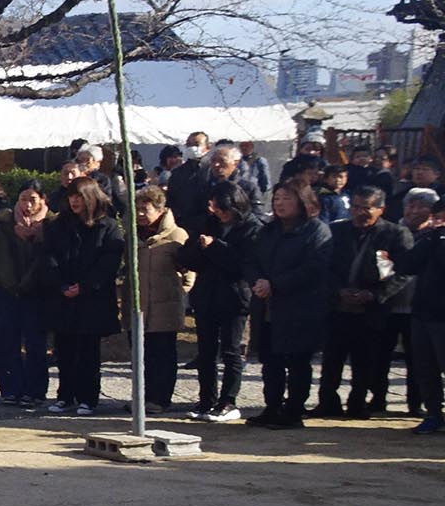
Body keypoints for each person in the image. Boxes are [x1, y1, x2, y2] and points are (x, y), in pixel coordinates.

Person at [315, 186, 412, 420]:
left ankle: (359, 403)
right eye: (356, 207)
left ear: (380, 209)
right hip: (338, 307)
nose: (359, 213)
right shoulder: (336, 230)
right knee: (332, 359)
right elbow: (323, 266)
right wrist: (338, 291)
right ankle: (327, 401)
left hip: (373, 309)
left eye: (366, 208)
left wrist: (374, 295)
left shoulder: (395, 234)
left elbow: (403, 272)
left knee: (366, 360)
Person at [248, 182, 333, 428]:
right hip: (267, 306)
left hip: (300, 307)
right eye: (276, 199)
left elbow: (314, 268)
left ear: (302, 202)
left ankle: (294, 411)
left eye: (286, 199)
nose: (280, 203)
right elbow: (251, 260)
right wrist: (259, 282)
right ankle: (272, 406)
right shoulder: (268, 230)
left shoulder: (316, 231)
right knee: (270, 361)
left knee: (297, 361)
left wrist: (276, 284)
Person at [177, 183, 259, 424]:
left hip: (235, 297)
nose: (217, 212)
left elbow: (241, 265)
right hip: (207, 294)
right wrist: (199, 248)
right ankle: (206, 399)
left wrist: (215, 247)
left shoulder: (252, 228)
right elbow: (188, 256)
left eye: (222, 208)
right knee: (206, 352)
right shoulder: (208, 223)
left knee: (232, 351)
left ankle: (228, 401)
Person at [44, 179, 124, 417]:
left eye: (79, 196)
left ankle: (88, 397)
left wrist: (86, 286)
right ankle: (65, 395)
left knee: (88, 352)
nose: (74, 201)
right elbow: (49, 257)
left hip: (93, 299)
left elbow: (108, 264)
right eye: (71, 196)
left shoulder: (108, 227)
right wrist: (60, 283)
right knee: (64, 349)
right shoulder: (59, 226)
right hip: (64, 295)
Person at [0, 181, 51, 410]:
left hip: (37, 290)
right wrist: (11, 284)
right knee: (6, 341)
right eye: (23, 199)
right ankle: (10, 389)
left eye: (33, 199)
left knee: (35, 343)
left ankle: (35, 391)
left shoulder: (49, 223)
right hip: (7, 288)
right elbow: (1, 255)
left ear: (43, 201)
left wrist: (29, 282)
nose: (27, 205)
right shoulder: (6, 221)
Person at [132, 187, 194, 414]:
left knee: (163, 355)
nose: (140, 214)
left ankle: (161, 398)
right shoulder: (134, 235)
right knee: (142, 355)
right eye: (137, 208)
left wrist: (179, 291)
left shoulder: (177, 236)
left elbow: (188, 274)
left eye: (145, 209)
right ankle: (142, 398)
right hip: (139, 306)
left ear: (160, 210)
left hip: (165, 306)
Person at [405, 198, 445, 433]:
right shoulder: (429, 238)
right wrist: (431, 238)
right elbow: (409, 264)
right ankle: (433, 412)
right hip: (422, 312)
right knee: (425, 366)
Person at [167, 133, 213, 225]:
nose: (191, 147)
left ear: (208, 147)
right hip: (183, 221)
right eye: (189, 144)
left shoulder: (213, 169)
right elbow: (171, 198)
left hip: (209, 222)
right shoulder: (178, 172)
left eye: (196, 144)